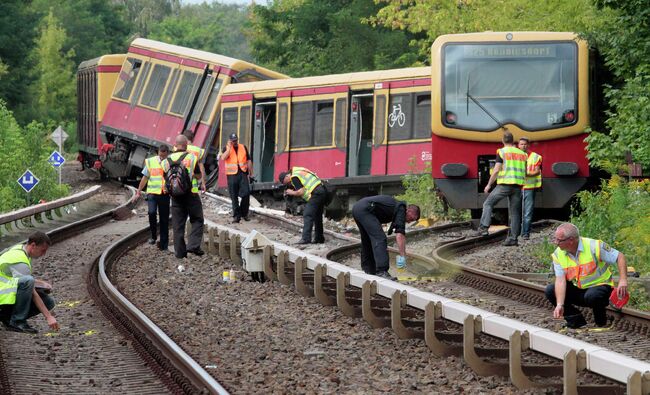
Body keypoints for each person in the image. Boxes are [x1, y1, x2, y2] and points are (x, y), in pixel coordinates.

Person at [545, 223, 628, 329]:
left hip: (600, 288)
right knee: (550, 290)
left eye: (559, 240)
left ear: (571, 240)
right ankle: (575, 320)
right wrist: (560, 305)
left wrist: (623, 280)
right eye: (555, 239)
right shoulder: (558, 254)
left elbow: (619, 257)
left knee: (593, 296)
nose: (556, 243)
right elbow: (560, 281)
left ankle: (601, 322)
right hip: (579, 289)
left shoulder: (594, 246)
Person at [474, 131, 527, 246]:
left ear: (503, 141)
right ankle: (513, 239)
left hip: (505, 185)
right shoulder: (522, 154)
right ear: (513, 141)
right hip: (518, 186)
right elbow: (525, 170)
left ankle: (483, 228)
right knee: (515, 213)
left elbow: (497, 169)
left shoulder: (502, 152)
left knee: (488, 203)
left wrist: (488, 185)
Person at [0, 231, 59, 334]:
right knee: (29, 282)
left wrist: (41, 284)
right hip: (2, 295)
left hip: (4, 292)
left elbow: (17, 279)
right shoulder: (19, 259)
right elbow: (29, 287)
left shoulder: (20, 249)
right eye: (42, 250)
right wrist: (49, 317)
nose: (43, 254)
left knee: (48, 302)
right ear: (33, 245)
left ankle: (7, 318)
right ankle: (17, 321)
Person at [352, 195, 420, 280]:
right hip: (365, 209)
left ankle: (369, 270)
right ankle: (382, 271)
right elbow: (400, 235)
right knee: (380, 238)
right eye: (412, 218)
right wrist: (402, 256)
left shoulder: (396, 207)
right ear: (409, 211)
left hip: (358, 208)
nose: (410, 221)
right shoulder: (401, 209)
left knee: (368, 239)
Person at [163, 134, 205, 259]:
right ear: (186, 145)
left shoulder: (166, 161)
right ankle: (193, 245)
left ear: (175, 145)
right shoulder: (191, 157)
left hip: (175, 196)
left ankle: (180, 253)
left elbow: (165, 177)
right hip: (190, 194)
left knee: (177, 225)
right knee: (197, 219)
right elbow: (198, 176)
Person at [279, 167, 328, 244]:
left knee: (307, 214)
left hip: (316, 193)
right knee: (317, 216)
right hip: (322, 189)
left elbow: (301, 192)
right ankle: (319, 238)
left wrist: (291, 192)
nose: (288, 184)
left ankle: (306, 239)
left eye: (285, 182)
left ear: (286, 177)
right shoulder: (297, 171)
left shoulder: (294, 177)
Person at [135, 144, 171, 251]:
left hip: (164, 193)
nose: (162, 158)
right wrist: (138, 191)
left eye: (164, 156)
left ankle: (164, 243)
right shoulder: (151, 161)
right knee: (151, 213)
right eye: (160, 156)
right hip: (152, 193)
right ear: (158, 153)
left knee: (164, 219)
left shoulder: (170, 162)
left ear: (167, 154)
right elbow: (145, 177)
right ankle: (153, 236)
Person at [218, 133, 252, 223]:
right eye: (233, 141)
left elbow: (248, 159)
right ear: (230, 141)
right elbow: (223, 158)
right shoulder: (226, 148)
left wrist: (250, 171)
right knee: (234, 196)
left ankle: (244, 213)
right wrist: (229, 148)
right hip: (232, 175)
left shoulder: (243, 147)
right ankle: (236, 216)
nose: (235, 142)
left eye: (236, 140)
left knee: (246, 193)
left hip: (242, 173)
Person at [518, 137, 542, 240]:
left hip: (529, 187)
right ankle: (516, 233)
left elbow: (537, 171)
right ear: (518, 146)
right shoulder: (515, 157)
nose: (523, 146)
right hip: (516, 187)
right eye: (521, 144)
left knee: (527, 212)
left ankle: (525, 233)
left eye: (525, 144)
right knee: (516, 211)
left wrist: (526, 174)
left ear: (528, 145)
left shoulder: (536, 157)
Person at [182, 129, 207, 193]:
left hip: (180, 182)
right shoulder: (198, 151)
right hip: (192, 184)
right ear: (193, 139)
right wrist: (203, 183)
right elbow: (201, 168)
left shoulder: (178, 148)